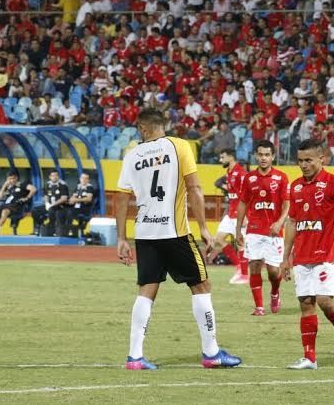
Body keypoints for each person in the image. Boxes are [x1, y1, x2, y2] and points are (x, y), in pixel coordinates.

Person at [115, 108, 241, 370]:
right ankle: (211, 353)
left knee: (146, 291)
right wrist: (205, 229)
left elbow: (121, 197)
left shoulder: (132, 155)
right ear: (163, 125)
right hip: (175, 232)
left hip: (145, 234)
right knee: (201, 285)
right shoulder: (180, 146)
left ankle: (135, 357)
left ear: (143, 128)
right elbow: (194, 187)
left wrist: (121, 238)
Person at [281, 138, 334, 370]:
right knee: (306, 304)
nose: (304, 165)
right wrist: (286, 257)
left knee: (324, 301)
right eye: (300, 161)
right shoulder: (295, 187)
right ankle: (309, 358)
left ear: (321, 159)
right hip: (302, 255)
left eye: (308, 160)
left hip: (326, 254)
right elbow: (292, 222)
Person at [236, 140, 290, 316]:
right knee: (254, 266)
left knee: (274, 272)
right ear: (256, 156)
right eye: (260, 154)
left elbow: (287, 204)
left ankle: (275, 293)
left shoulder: (281, 177)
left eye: (267, 154)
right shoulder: (249, 178)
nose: (263, 158)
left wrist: (280, 221)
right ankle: (259, 307)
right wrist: (238, 230)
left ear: (273, 156)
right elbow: (243, 203)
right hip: (254, 229)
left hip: (274, 231)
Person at [210, 148, 249, 284]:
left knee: (241, 244)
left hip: (240, 214)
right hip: (231, 213)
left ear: (231, 157)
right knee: (218, 239)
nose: (221, 160)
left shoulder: (241, 173)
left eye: (223, 157)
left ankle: (244, 275)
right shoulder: (229, 172)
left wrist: (246, 215)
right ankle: (239, 266)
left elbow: (248, 195)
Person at [32, 170, 70, 237]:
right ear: (50, 177)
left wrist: (52, 205)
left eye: (56, 175)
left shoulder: (63, 185)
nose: (55, 177)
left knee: (52, 211)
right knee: (35, 210)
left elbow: (64, 198)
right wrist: (46, 203)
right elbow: (46, 195)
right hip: (49, 205)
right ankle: (38, 228)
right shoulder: (48, 184)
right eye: (53, 175)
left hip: (59, 206)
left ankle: (52, 229)